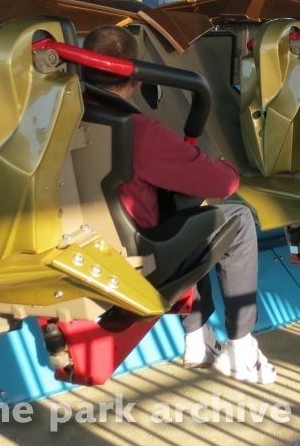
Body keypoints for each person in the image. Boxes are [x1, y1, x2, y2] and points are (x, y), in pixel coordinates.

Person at [81, 26, 276, 384]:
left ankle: (197, 338)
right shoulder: (140, 130)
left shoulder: (57, 120)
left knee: (186, 218)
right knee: (235, 219)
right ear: (135, 77)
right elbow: (225, 182)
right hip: (137, 258)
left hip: (79, 249)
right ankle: (241, 347)